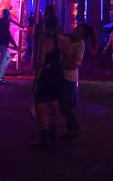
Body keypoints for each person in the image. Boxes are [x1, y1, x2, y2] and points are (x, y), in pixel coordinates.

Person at [32, 15, 64, 150]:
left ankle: (45, 140)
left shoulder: (44, 41)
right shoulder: (60, 42)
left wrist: (35, 80)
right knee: (54, 106)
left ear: (45, 26)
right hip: (57, 75)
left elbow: (40, 63)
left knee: (41, 107)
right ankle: (54, 137)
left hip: (46, 76)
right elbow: (68, 55)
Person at [57, 24, 85, 139]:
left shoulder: (80, 45)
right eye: (76, 28)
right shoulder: (67, 39)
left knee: (64, 105)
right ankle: (72, 130)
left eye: (78, 30)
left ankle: (75, 127)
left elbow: (74, 65)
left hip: (70, 78)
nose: (75, 30)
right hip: (62, 76)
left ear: (82, 35)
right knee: (63, 104)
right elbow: (57, 37)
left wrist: (61, 63)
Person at [0, 9, 17, 84]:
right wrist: (14, 44)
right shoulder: (5, 23)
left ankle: (0, 76)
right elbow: (8, 34)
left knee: (6, 58)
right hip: (3, 43)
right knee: (3, 60)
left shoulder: (1, 22)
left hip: (0, 42)